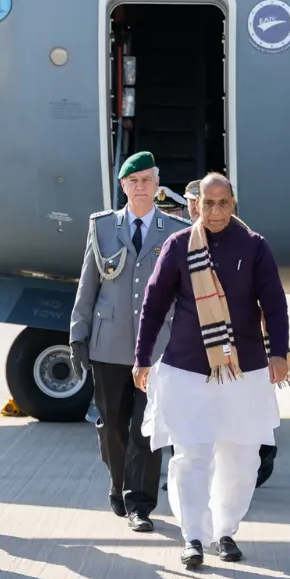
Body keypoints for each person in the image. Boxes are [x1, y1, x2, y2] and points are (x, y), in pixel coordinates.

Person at [133, 172, 290, 568]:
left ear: (233, 203)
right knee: (191, 456)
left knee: (241, 458)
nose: (216, 210)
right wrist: (142, 357)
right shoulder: (179, 246)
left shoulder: (254, 247)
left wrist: (279, 354)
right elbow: (153, 306)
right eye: (208, 203)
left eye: (223, 203)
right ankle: (193, 537)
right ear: (196, 206)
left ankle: (225, 531)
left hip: (245, 369)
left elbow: (274, 303)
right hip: (187, 369)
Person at [69, 151, 188, 532]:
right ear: (123, 186)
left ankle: (140, 503)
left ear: (157, 186)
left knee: (147, 428)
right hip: (109, 344)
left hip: (157, 348)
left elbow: (184, 292)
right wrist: (78, 334)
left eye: (147, 180)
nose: (140, 187)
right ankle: (117, 484)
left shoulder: (173, 230)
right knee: (111, 426)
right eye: (133, 181)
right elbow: (88, 284)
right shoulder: (103, 227)